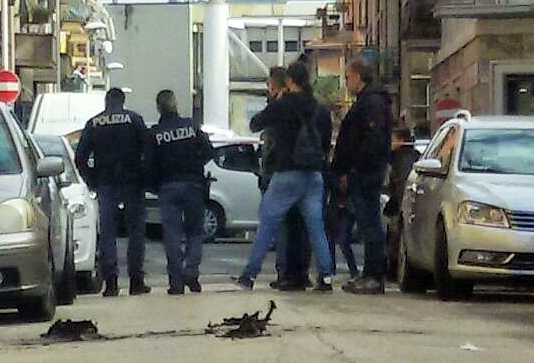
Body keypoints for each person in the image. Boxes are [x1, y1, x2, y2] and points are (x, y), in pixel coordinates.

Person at [236, 62, 335, 292]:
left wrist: (278, 100)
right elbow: (325, 141)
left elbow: (254, 124)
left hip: (287, 173)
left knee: (268, 223)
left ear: (290, 81)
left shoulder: (283, 105)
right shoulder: (318, 107)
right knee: (316, 227)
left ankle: (249, 275)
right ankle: (326, 275)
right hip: (313, 174)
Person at [74, 87, 154, 296]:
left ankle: (111, 282)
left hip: (105, 182)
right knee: (135, 231)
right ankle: (136, 281)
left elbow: (80, 157)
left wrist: (92, 180)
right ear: (123, 101)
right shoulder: (134, 120)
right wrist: (144, 176)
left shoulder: (94, 123)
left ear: (106, 102)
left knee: (108, 233)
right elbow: (149, 149)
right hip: (132, 182)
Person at [331, 57, 392, 294]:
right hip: (362, 171)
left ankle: (374, 276)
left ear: (357, 76)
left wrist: (354, 167)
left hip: (365, 173)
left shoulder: (372, 103)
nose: (347, 83)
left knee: (370, 225)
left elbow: (372, 141)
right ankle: (369, 274)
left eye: (348, 77)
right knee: (367, 225)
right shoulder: (367, 101)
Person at [149, 89, 214, 295]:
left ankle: (176, 281)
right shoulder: (191, 127)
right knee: (195, 231)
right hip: (194, 184)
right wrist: (195, 165)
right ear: (176, 105)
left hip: (168, 187)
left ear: (159, 108)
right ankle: (192, 272)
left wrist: (154, 184)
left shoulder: (156, 133)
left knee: (172, 235)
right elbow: (209, 151)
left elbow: (148, 165)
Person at [384, 126, 419, 276]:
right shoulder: (410, 156)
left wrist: (398, 204)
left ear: (400, 141)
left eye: (392, 140)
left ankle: (393, 268)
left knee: (396, 236)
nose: (390, 143)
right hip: (402, 203)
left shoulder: (401, 159)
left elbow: (401, 184)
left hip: (402, 205)